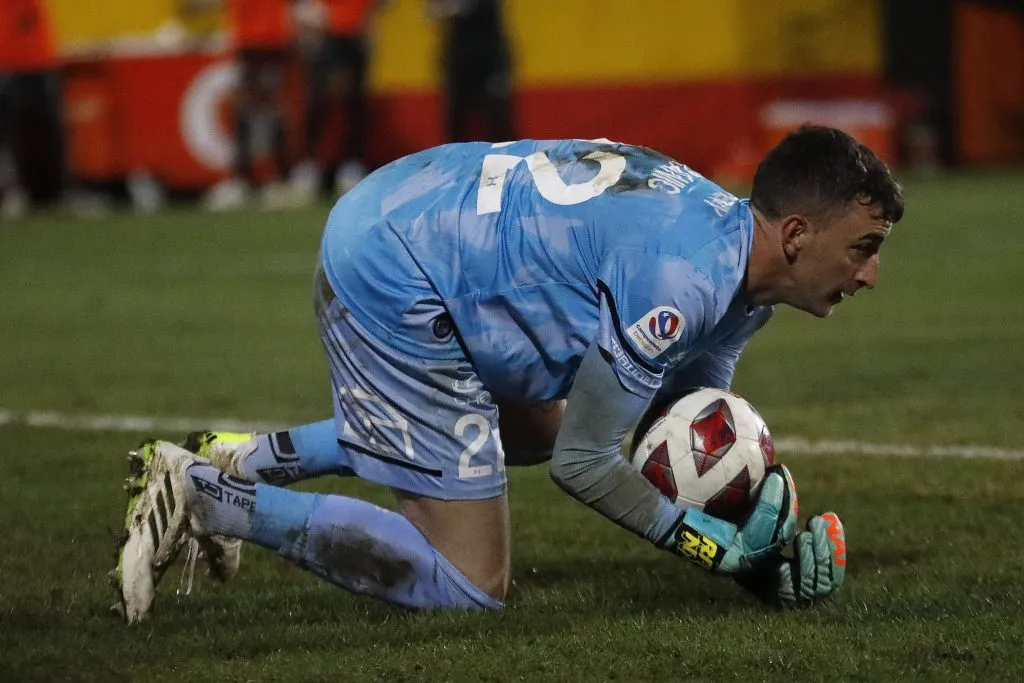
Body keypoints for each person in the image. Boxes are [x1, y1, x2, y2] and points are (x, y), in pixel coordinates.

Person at [115, 126, 902, 621]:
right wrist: (720, 555)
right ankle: (208, 496)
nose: (870, 276)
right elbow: (588, 465)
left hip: (413, 211)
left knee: (537, 424)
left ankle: (241, 456)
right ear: (796, 233)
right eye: (864, 247)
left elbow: (675, 423)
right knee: (470, 581)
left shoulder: (734, 268)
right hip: (403, 266)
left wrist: (756, 507)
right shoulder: (685, 281)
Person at [194, 0, 297, 211]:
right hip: (257, 38)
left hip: (266, 37)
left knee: (261, 109)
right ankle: (260, 178)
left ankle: (267, 178)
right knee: (256, 108)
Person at [288, 0, 387, 202]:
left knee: (353, 104)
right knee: (320, 103)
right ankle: (311, 167)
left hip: (355, 32)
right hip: (322, 31)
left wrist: (371, 18)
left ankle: (351, 165)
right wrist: (305, 10)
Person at [427, 0, 515, 143]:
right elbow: (432, 12)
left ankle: (504, 161)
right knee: (456, 119)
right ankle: (457, 162)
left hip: (489, 58)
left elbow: (462, 8)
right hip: (459, 60)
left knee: (498, 119)